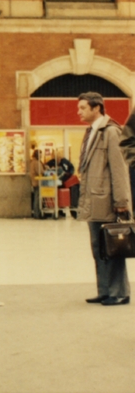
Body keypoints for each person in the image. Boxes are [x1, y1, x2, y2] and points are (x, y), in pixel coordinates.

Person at [76, 92, 131, 306]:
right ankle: (105, 290)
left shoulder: (111, 132)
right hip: (94, 201)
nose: (79, 112)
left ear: (97, 108)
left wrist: (121, 202)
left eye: (83, 108)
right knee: (99, 247)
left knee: (114, 247)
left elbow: (119, 170)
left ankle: (120, 292)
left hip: (108, 202)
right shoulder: (92, 131)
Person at [29, 149, 44, 217]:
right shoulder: (37, 163)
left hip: (33, 182)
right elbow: (40, 172)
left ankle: (36, 212)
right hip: (38, 182)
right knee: (37, 198)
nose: (41, 156)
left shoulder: (32, 162)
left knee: (36, 197)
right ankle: (37, 213)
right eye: (40, 155)